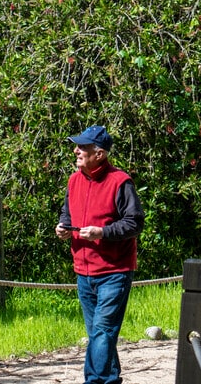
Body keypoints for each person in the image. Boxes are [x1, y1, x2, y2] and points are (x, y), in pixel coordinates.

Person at [55, 125, 145, 384]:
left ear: (100, 154)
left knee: (103, 332)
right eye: (78, 146)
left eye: (83, 147)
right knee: (99, 333)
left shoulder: (120, 182)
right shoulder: (74, 180)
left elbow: (135, 223)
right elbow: (67, 213)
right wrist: (63, 227)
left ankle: (93, 381)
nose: (76, 150)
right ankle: (110, 379)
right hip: (83, 271)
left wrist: (102, 232)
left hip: (114, 272)